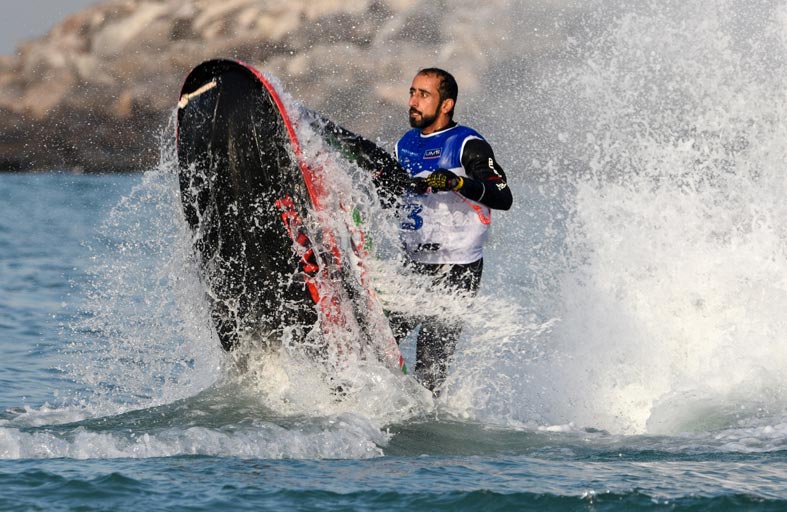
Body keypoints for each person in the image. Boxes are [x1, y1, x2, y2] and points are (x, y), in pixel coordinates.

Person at [389, 67, 513, 393]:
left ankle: (427, 427)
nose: (413, 101)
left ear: (446, 104)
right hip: (413, 265)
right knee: (376, 337)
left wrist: (459, 182)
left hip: (458, 268)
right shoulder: (404, 145)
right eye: (412, 92)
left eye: (423, 95)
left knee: (429, 366)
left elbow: (503, 196)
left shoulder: (468, 145)